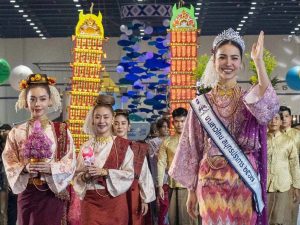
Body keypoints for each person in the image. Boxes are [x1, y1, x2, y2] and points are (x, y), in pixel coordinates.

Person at [169, 28, 279, 225]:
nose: (228, 63)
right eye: (223, 57)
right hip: (210, 181)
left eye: (234, 58)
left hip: (243, 180)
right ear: (214, 60)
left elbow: (269, 107)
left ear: (241, 62)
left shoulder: (249, 99)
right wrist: (190, 191)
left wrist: (259, 61)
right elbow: (191, 148)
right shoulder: (200, 104)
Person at [1, 73, 76, 225]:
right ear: (26, 102)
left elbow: (70, 162)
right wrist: (24, 167)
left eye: (42, 99)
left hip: (51, 193)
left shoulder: (61, 131)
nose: (37, 104)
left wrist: (51, 167)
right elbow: (8, 160)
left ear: (49, 101)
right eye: (32, 99)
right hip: (27, 194)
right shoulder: (17, 132)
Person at [73, 94, 134, 225]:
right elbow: (76, 175)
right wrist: (85, 176)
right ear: (93, 120)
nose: (102, 121)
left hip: (114, 202)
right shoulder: (86, 146)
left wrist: (105, 172)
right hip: (90, 202)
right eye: (97, 117)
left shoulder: (122, 146)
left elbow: (129, 174)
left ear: (112, 120)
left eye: (106, 117)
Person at [113, 109, 155, 225]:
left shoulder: (137, 148)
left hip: (132, 192)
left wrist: (145, 199)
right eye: (116, 123)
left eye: (123, 123)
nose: (119, 127)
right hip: (114, 192)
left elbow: (144, 174)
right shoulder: (108, 147)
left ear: (129, 126)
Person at [158, 107, 199, 225]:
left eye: (182, 121)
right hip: (173, 186)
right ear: (173, 122)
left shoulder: (195, 140)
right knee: (174, 218)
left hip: (191, 187)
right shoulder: (167, 142)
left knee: (191, 219)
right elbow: (161, 164)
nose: (180, 124)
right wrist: (160, 185)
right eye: (176, 121)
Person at [267, 112, 300, 225]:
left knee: (280, 219)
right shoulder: (261, 141)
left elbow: (294, 164)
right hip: (264, 186)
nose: (273, 121)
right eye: (270, 119)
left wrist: (296, 186)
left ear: (281, 122)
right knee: (265, 219)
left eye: (276, 118)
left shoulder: (289, 141)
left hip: (284, 186)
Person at [146, 118, 170, 225]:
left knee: (169, 206)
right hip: (159, 178)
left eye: (167, 126)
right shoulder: (152, 142)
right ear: (158, 129)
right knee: (161, 205)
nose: (166, 129)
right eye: (163, 127)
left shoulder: (171, 140)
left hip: (170, 178)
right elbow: (155, 158)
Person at [279, 106, 300, 224]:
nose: (284, 119)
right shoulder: (271, 135)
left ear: (291, 118)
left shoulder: (298, 135)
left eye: (286, 116)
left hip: (293, 182)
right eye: (281, 117)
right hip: (276, 181)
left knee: (292, 214)